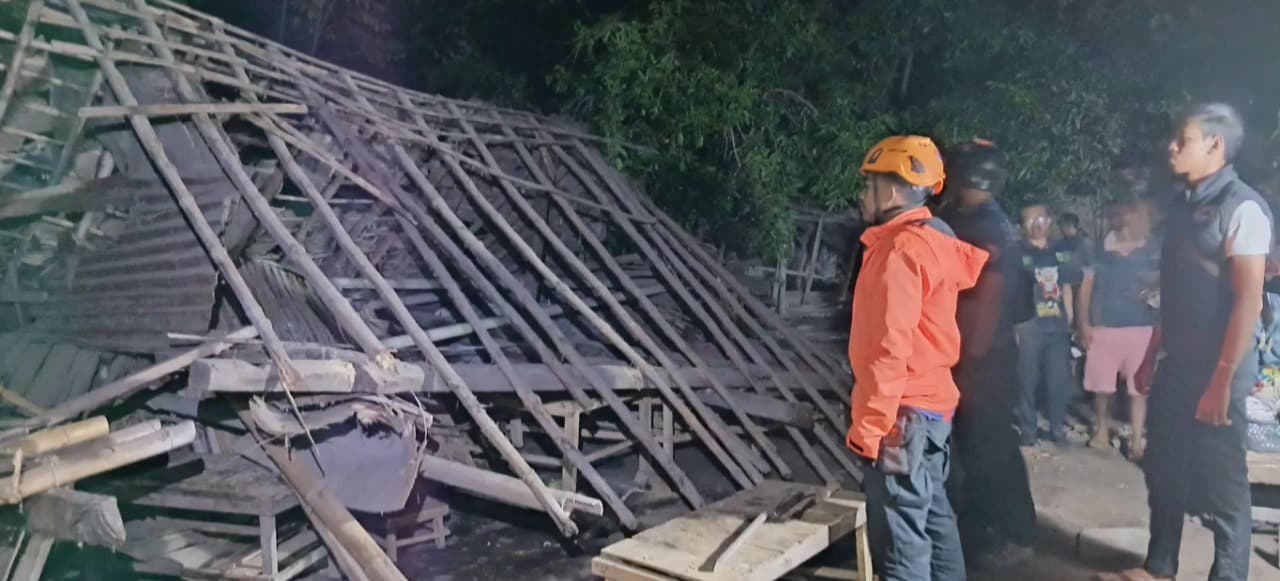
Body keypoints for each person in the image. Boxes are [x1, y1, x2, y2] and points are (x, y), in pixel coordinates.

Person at [1103, 103, 1272, 581]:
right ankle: (1160, 567)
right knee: (1163, 468)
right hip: (1176, 363)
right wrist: (1155, 351)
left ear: (1215, 145)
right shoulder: (1183, 206)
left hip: (1220, 368)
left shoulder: (1242, 207)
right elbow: (1177, 290)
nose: (1171, 147)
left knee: (1224, 486)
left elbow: (1248, 302)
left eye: (1184, 139)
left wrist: (1220, 382)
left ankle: (1229, 575)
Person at [848, 135, 987, 580]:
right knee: (933, 518)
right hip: (930, 412)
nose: (861, 195)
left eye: (867, 185)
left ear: (890, 191)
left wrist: (871, 426)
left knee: (900, 540)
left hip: (901, 415)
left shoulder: (900, 252)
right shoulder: (932, 239)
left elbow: (892, 347)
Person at [938, 139, 1038, 564]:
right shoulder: (964, 218)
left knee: (992, 445)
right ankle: (979, 530)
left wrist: (966, 362)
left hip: (981, 359)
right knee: (971, 448)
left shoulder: (986, 227)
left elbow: (989, 297)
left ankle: (1016, 536)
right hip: (971, 353)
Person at [1077, 201, 1159, 461]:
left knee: (1139, 389)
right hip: (1105, 328)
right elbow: (1085, 288)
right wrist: (1083, 324)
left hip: (1141, 328)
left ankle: (1136, 439)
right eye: (1126, 218)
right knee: (1102, 388)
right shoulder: (1099, 252)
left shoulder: (1153, 251)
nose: (1131, 224)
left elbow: (1165, 283)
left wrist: (1154, 292)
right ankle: (1102, 428)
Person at [1014, 205, 1082, 446]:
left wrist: (1071, 321)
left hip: (1057, 326)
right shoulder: (1015, 253)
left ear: (1050, 221)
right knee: (1026, 381)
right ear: (1021, 225)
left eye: (1041, 218)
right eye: (1030, 219)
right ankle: (1028, 431)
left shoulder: (1061, 251)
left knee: (1058, 381)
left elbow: (1067, 287)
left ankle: (1057, 429)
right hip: (1028, 325)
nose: (1036, 223)